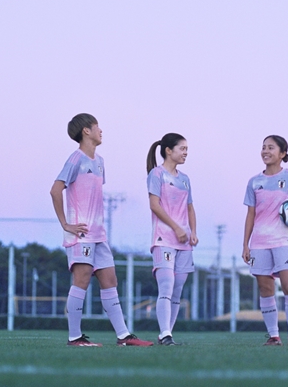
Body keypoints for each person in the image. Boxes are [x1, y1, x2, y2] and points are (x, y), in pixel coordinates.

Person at [50, 113, 153, 347]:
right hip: (81, 233)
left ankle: (124, 336)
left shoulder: (100, 162)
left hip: (99, 234)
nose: (101, 131)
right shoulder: (75, 159)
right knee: (82, 279)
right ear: (86, 131)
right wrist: (66, 224)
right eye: (97, 127)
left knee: (110, 280)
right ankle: (74, 338)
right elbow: (55, 190)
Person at [242, 135, 288, 346]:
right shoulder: (254, 181)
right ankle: (273, 336)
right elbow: (250, 215)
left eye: (271, 148)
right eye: (263, 147)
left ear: (282, 153)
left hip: (284, 240)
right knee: (266, 288)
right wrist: (245, 244)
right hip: (259, 242)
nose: (266, 151)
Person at [146, 133, 198, 345]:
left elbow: (190, 208)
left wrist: (192, 232)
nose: (186, 152)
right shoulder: (156, 174)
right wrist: (176, 227)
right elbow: (154, 205)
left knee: (177, 290)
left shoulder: (185, 179)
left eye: (187, 149)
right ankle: (165, 333)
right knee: (166, 286)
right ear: (169, 150)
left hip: (184, 242)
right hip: (164, 239)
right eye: (182, 148)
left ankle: (167, 334)